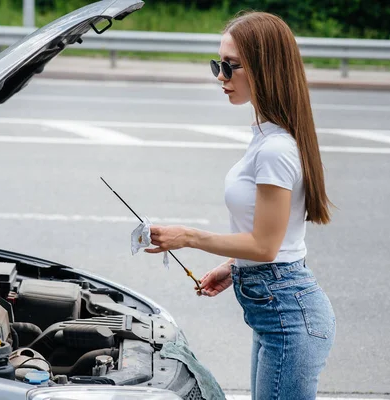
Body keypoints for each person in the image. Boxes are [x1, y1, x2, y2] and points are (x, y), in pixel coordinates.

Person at [145, 11, 336, 400]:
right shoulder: (269, 138)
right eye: (218, 64)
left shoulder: (276, 149)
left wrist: (188, 236)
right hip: (278, 310)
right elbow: (278, 240)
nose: (220, 76)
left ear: (264, 68)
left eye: (230, 67)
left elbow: (266, 246)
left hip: (288, 314)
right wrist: (233, 267)